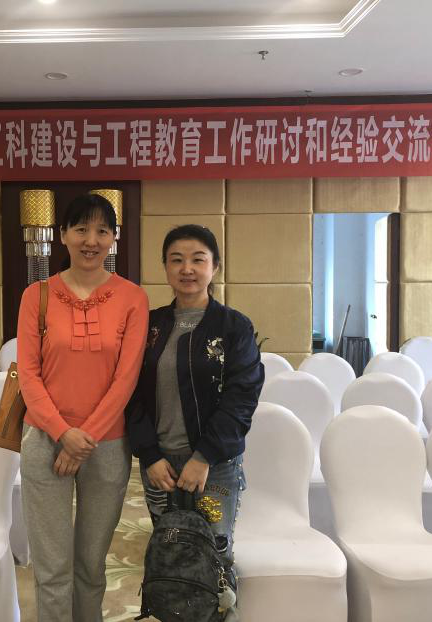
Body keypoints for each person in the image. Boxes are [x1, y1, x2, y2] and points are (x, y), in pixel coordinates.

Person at [17, 193, 149, 622]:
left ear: (114, 238)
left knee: (91, 566)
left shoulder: (132, 298)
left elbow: (126, 378)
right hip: (45, 440)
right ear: (62, 235)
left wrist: (84, 438)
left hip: (106, 445)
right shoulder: (36, 295)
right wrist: (63, 434)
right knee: (52, 569)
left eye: (102, 231)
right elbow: (29, 376)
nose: (91, 240)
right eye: (81, 229)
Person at [126, 224, 264, 610]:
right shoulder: (149, 326)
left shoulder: (234, 327)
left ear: (214, 266)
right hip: (160, 467)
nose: (187, 268)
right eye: (177, 260)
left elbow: (242, 398)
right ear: (165, 268)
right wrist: (149, 455)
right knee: (169, 555)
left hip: (213, 467)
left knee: (215, 556)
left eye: (197, 259)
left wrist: (203, 457)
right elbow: (129, 393)